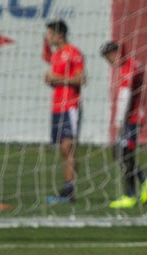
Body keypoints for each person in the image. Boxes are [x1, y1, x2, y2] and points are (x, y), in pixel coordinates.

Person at [100, 41, 147, 209]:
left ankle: (132, 193)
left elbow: (125, 96)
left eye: (109, 58)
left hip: (131, 119)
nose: (110, 63)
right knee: (122, 154)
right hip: (132, 118)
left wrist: (119, 123)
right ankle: (142, 183)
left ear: (114, 53)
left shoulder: (128, 68)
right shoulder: (133, 64)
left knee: (123, 154)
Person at [42, 19, 85, 203]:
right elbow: (58, 82)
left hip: (71, 106)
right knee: (63, 149)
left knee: (68, 147)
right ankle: (69, 187)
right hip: (57, 106)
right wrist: (50, 81)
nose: (48, 37)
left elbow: (80, 80)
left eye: (50, 33)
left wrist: (57, 78)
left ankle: (70, 190)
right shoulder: (55, 55)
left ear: (59, 35)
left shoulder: (74, 53)